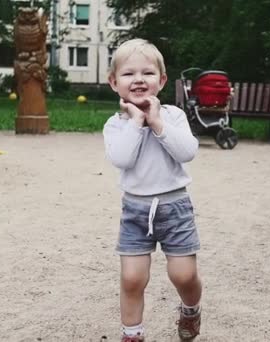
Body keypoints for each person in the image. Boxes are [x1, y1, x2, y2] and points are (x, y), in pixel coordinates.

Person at [102, 38, 202, 342]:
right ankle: (132, 334)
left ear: (161, 80)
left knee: (183, 275)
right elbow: (122, 158)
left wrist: (156, 122)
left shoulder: (173, 117)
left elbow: (187, 151)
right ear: (113, 82)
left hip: (175, 208)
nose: (138, 79)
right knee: (132, 279)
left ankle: (191, 308)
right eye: (129, 73)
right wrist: (136, 122)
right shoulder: (116, 125)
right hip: (135, 211)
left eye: (147, 73)